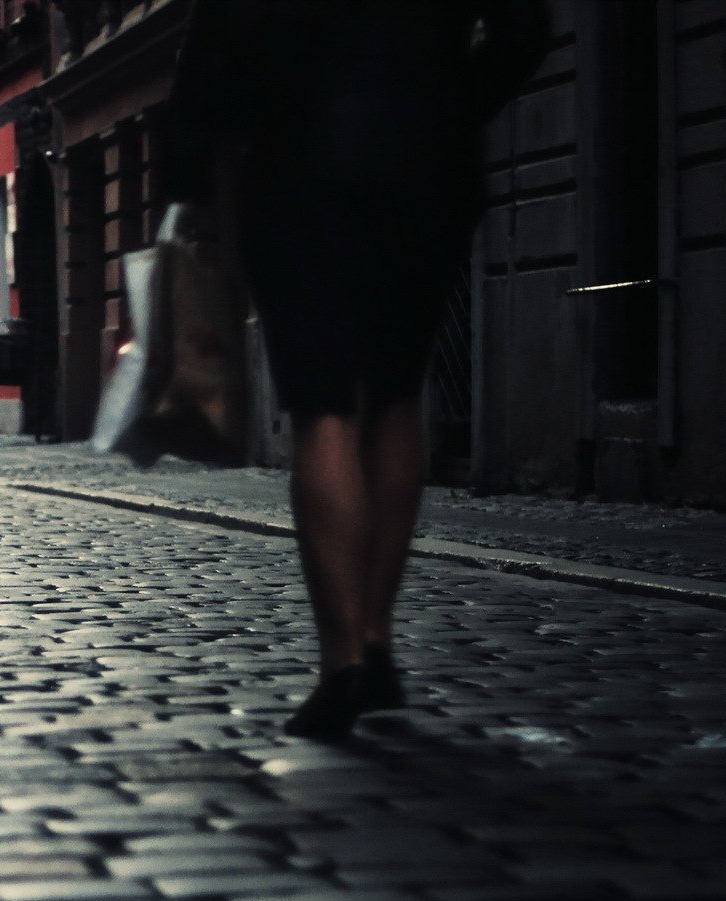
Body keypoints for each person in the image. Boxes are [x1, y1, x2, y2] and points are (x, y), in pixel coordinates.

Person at [162, 0, 548, 737]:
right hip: (427, 170)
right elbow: (523, 29)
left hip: (298, 166)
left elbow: (213, 45)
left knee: (323, 403)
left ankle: (340, 663)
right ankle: (375, 636)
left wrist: (197, 175)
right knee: (398, 391)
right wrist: (445, 103)